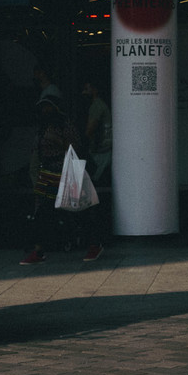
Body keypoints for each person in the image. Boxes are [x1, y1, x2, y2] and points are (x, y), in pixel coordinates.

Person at [20, 88, 84, 265]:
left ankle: (90, 241)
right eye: (43, 108)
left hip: (62, 171)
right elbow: (36, 154)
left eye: (48, 107)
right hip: (47, 173)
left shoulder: (64, 125)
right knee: (42, 212)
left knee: (75, 212)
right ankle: (39, 250)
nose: (45, 111)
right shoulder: (42, 128)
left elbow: (74, 149)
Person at [80, 77, 112, 262]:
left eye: (87, 88)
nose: (83, 91)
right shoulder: (101, 105)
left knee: (93, 199)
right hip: (102, 154)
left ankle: (96, 241)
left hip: (99, 156)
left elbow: (89, 131)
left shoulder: (96, 106)